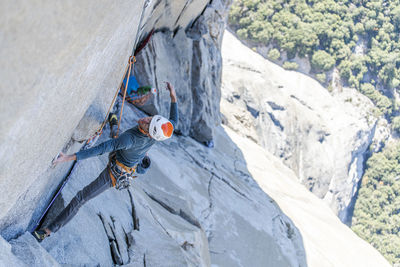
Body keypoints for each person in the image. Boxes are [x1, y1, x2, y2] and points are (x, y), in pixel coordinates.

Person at [33, 82, 178, 242]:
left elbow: (102, 148)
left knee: (81, 198)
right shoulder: (154, 135)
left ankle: (47, 231)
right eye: (150, 118)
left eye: (147, 122)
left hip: (114, 174)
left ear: (149, 132)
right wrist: (172, 95)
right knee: (117, 137)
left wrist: (68, 157)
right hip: (123, 153)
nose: (145, 118)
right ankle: (113, 122)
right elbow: (174, 121)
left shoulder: (129, 139)